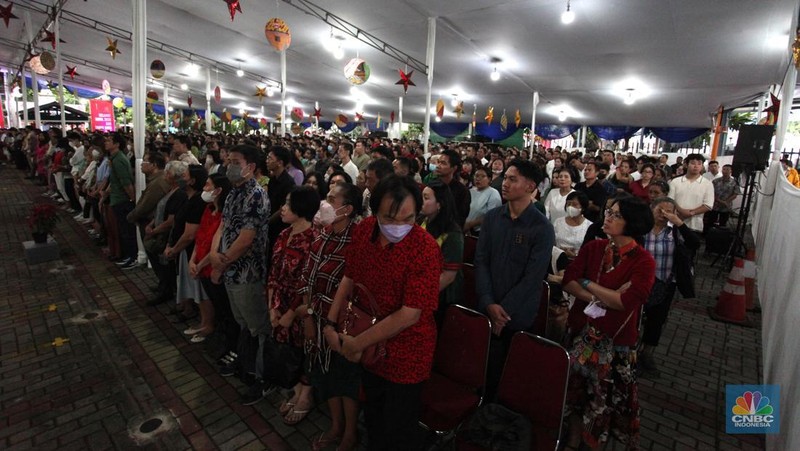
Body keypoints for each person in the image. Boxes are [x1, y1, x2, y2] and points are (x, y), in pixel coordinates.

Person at [325, 175, 441, 450]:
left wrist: (356, 343)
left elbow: (409, 314)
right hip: (367, 344)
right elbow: (349, 277)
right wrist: (330, 323)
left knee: (398, 427)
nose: (399, 227)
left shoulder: (424, 248)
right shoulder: (364, 231)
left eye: (409, 219)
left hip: (406, 352)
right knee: (374, 415)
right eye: (389, 218)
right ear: (374, 210)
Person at [562, 196, 655, 450]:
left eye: (616, 215)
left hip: (614, 344)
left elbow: (626, 302)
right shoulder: (595, 248)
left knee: (603, 402)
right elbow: (569, 279)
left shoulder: (643, 261)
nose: (608, 217)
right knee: (574, 395)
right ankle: (572, 440)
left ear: (632, 224)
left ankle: (591, 443)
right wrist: (601, 294)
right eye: (608, 212)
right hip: (583, 334)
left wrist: (587, 283)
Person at [475, 159, 554, 395]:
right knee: (480, 366)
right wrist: (489, 302)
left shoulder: (541, 228)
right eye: (505, 178)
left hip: (517, 314)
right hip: (487, 306)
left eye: (512, 179)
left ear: (530, 187)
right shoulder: (492, 218)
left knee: (507, 372)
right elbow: (481, 261)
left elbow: (533, 276)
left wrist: (504, 312)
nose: (505, 183)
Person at [296, 183, 363, 451]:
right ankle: (336, 426)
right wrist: (309, 315)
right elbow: (306, 275)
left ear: (347, 210)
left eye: (331, 199)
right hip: (316, 317)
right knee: (325, 375)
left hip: (341, 324)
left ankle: (350, 432)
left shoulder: (357, 239)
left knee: (345, 380)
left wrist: (327, 321)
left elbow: (351, 287)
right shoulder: (322, 234)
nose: (325, 203)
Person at [209, 145, 272, 405]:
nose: (229, 164)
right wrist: (214, 253)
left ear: (251, 167)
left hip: (248, 274)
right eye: (229, 159)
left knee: (258, 327)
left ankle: (263, 378)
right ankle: (246, 365)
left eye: (235, 161)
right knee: (243, 322)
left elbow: (246, 239)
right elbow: (223, 226)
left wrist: (220, 264)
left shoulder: (257, 195)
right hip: (230, 269)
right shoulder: (234, 193)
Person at [267, 186, 320, 425]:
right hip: (279, 302)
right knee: (287, 350)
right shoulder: (283, 234)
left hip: (300, 308)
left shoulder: (314, 239)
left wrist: (290, 313)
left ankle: (305, 397)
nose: (283, 208)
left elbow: (307, 283)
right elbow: (274, 272)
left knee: (303, 351)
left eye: (289, 204)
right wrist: (272, 306)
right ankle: (297, 390)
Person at [640, 197, 701, 375]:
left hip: (666, 283)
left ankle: (647, 353)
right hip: (640, 282)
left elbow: (695, 243)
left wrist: (679, 224)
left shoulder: (674, 232)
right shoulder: (642, 230)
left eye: (669, 211)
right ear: (651, 209)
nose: (663, 214)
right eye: (660, 210)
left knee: (656, 320)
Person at [188, 174, 233, 344]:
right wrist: (192, 261)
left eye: (208, 185)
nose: (205, 189)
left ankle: (227, 340)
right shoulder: (208, 210)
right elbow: (200, 238)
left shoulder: (225, 214)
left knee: (223, 307)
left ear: (218, 190)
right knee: (215, 303)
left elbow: (218, 244)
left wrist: (199, 265)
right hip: (200, 265)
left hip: (211, 267)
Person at [164, 164, 209, 321]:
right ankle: (186, 306)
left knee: (196, 286)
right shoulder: (187, 197)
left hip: (191, 249)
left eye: (185, 176)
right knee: (185, 280)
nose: (182, 179)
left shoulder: (198, 201)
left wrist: (174, 249)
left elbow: (190, 234)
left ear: (192, 181)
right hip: (183, 248)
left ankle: (203, 319)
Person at [419, 180, 464, 326]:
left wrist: (421, 297)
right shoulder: (421, 221)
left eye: (426, 198)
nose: (421, 201)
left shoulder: (452, 234)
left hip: (439, 295)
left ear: (439, 204)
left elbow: (448, 276)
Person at [105, 133, 138, 269]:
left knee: (127, 231)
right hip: (118, 199)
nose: (106, 142)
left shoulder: (119, 160)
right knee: (123, 230)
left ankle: (132, 257)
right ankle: (128, 255)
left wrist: (132, 199)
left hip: (122, 200)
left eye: (109, 140)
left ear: (117, 144)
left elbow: (126, 183)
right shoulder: (115, 158)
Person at [668, 153, 714, 233]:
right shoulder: (675, 181)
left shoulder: (707, 184)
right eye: (693, 163)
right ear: (686, 165)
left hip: (695, 225)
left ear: (702, 166)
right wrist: (682, 211)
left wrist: (691, 213)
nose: (696, 166)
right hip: (675, 221)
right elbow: (670, 200)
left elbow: (708, 205)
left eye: (699, 164)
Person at [267, 146, 297, 250]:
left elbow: (282, 208)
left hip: (279, 226)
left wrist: (267, 222)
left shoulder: (288, 183)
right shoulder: (272, 180)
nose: (267, 161)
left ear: (279, 162)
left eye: (270, 158)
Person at [435, 149, 471, 227]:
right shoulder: (432, 185)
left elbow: (460, 219)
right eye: (438, 162)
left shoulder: (462, 191)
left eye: (443, 163)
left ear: (454, 168)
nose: (438, 166)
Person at [464, 166, 502, 236]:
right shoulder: (470, 191)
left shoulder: (493, 193)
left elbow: (492, 216)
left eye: (483, 176)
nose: (478, 179)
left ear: (489, 179)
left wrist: (469, 225)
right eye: (476, 176)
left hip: (481, 232)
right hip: (465, 229)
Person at [553, 191, 592, 258]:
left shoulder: (589, 226)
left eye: (574, 204)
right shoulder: (558, 222)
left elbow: (590, 251)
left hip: (578, 261)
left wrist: (575, 255)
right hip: (557, 259)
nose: (570, 207)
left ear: (583, 207)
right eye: (568, 204)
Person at [708, 164, 740, 231]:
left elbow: (735, 194)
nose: (725, 171)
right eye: (724, 169)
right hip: (715, 205)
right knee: (710, 222)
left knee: (723, 223)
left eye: (727, 169)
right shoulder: (716, 181)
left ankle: (720, 237)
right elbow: (711, 192)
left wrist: (726, 202)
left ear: (731, 171)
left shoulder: (734, 182)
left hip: (726, 207)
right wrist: (720, 201)